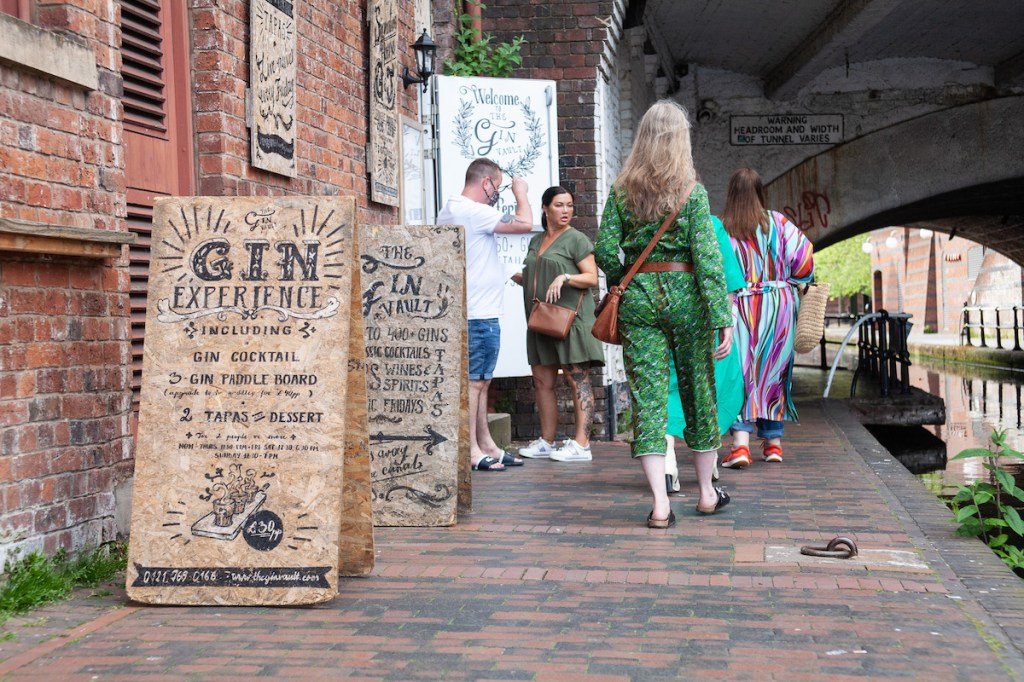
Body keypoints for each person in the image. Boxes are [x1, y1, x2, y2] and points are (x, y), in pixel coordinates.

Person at [595, 100, 734, 527]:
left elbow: (603, 248)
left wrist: (626, 280)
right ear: (681, 139)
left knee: (649, 400)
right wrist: (721, 318)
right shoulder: (692, 192)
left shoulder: (622, 190)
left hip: (638, 301)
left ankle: (660, 505)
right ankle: (707, 493)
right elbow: (707, 260)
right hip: (687, 299)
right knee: (698, 393)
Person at [437, 158, 533, 471]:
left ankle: (486, 443)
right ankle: (472, 451)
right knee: (475, 384)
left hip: (475, 309)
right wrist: (521, 195)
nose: (499, 193)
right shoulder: (473, 210)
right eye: (499, 186)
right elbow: (524, 224)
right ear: (486, 182)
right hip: (479, 313)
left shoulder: (454, 209)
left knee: (481, 382)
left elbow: (476, 257)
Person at [719, 167, 814, 468]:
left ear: (731, 194)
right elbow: (804, 262)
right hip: (778, 307)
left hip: (740, 307)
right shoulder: (779, 223)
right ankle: (773, 444)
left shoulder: (722, 228)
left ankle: (740, 445)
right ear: (761, 192)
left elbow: (713, 272)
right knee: (774, 372)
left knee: (740, 372)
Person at [512, 186, 604, 462]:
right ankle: (547, 441)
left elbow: (591, 277)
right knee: (542, 381)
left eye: (570, 206)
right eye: (559, 205)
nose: (566, 211)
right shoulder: (537, 240)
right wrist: (522, 277)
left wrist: (565, 277)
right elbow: (537, 271)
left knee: (578, 380)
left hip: (571, 321)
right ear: (545, 208)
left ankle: (581, 445)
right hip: (541, 319)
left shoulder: (576, 239)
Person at [664, 215, 746, 492]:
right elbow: (725, 277)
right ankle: (708, 457)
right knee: (713, 383)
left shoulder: (646, 216)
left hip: (657, 317)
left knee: (665, 383)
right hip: (700, 317)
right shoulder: (709, 222)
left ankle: (666, 457)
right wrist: (726, 322)